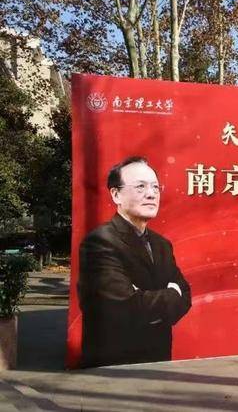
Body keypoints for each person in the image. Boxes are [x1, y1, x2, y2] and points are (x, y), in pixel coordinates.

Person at [78, 156, 191, 367]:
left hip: (159, 360)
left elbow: (185, 296)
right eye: (141, 187)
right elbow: (123, 306)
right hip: (113, 366)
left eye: (156, 187)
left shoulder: (162, 244)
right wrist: (169, 296)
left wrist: (145, 299)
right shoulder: (100, 242)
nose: (151, 194)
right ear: (116, 194)